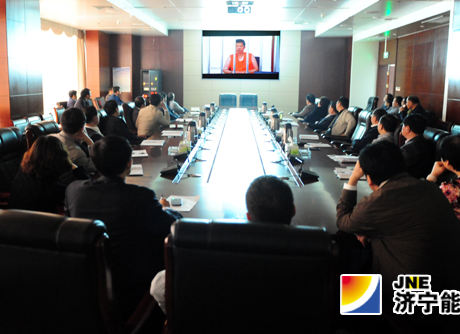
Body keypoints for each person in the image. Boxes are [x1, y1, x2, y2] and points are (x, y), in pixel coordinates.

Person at [337, 142, 460, 329]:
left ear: (369, 179)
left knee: (353, 277)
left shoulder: (380, 200)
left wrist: (352, 179)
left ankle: (356, 324)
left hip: (416, 302)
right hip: (458, 286)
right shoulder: (429, 187)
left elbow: (343, 221)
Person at [65, 135, 181, 320]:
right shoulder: (140, 197)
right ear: (129, 163)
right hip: (131, 288)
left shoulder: (74, 191)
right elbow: (172, 228)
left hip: (87, 283)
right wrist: (165, 209)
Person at [151, 175, 296, 314]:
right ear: (293, 211)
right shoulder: (308, 256)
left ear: (248, 217)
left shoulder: (220, 260)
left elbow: (157, 288)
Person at [9, 136, 89, 214]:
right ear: (59, 158)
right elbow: (86, 189)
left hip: (12, 218)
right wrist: (74, 167)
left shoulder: (25, 170)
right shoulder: (51, 188)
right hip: (38, 221)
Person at [50, 107, 96, 173]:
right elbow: (96, 165)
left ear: (62, 124)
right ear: (82, 128)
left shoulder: (49, 137)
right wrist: (90, 142)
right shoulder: (77, 154)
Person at [400, 114, 432, 179]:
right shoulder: (425, 142)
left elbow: (397, 168)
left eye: (403, 125)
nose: (402, 128)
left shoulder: (408, 149)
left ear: (408, 129)